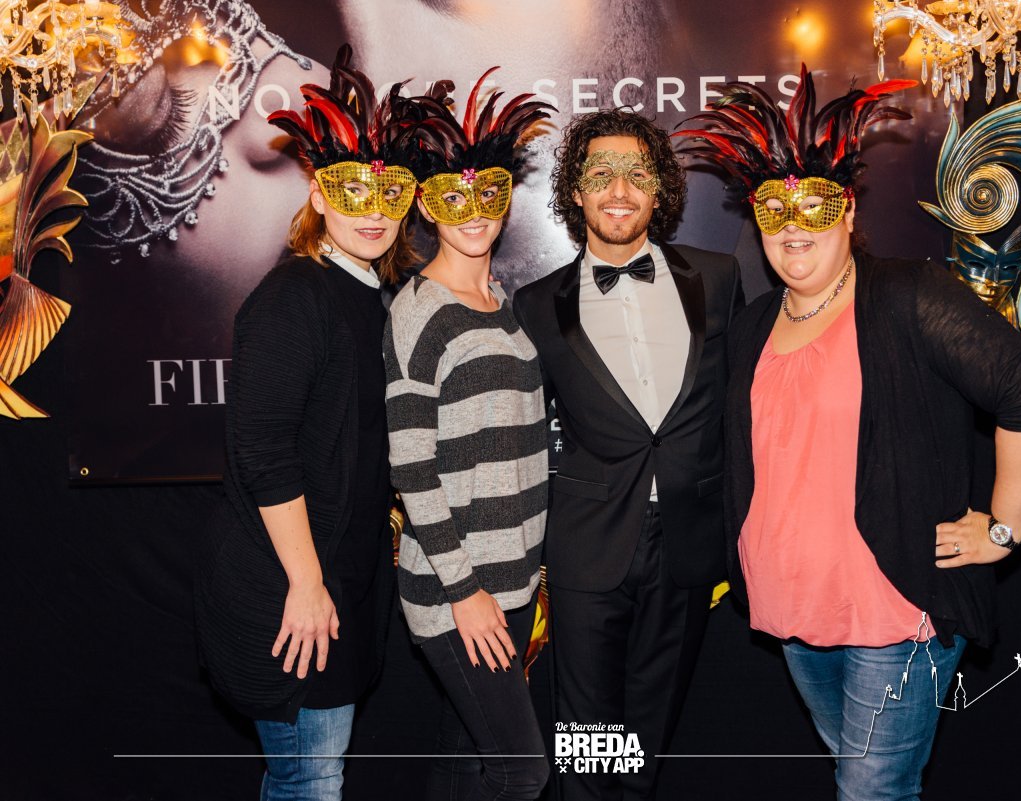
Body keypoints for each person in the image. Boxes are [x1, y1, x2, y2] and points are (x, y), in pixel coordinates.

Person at [676, 69, 1021, 800]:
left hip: (897, 606)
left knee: (870, 790)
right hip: (794, 611)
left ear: (848, 211)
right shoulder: (755, 325)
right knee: (863, 778)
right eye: (773, 208)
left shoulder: (907, 295)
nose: (792, 225)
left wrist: (1004, 528)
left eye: (814, 206)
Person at [193, 46, 417, 800]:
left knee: (307, 779)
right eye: (353, 191)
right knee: (310, 783)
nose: (373, 212)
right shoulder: (297, 296)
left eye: (389, 194)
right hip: (290, 592)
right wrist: (307, 582)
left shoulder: (373, 297)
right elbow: (263, 451)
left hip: (338, 584)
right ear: (319, 196)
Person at [513, 108, 743, 800]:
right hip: (587, 543)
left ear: (661, 189)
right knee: (587, 741)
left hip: (687, 542)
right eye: (601, 174)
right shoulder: (536, 304)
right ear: (575, 191)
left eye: (638, 174)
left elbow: (741, 409)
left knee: (648, 735)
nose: (620, 191)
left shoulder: (719, 276)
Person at [385, 72, 554, 801]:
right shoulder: (419, 310)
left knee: (465, 758)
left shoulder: (497, 299)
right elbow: (411, 468)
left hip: (510, 576)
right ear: (426, 204)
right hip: (459, 588)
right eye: (453, 198)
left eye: (488, 194)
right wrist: (465, 590)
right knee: (524, 770)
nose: (474, 214)